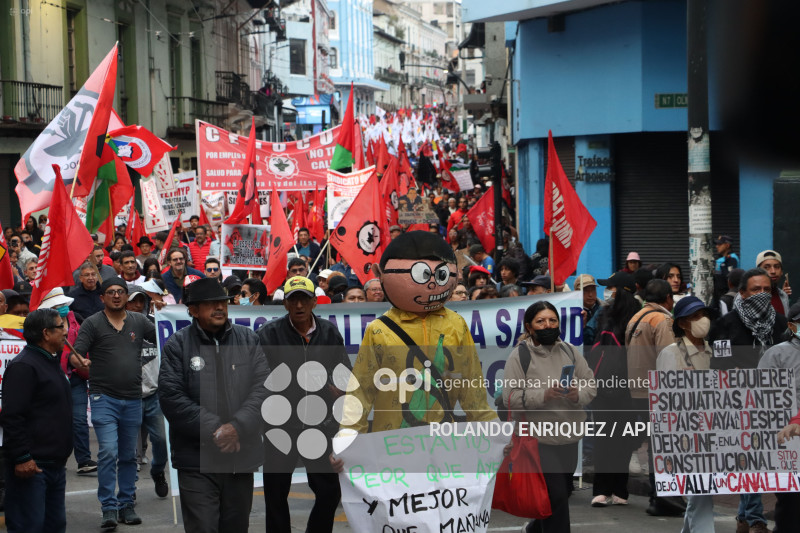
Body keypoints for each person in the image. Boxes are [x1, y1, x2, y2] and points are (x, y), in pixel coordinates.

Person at [336, 231, 497, 437]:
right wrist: (348, 434)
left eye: (439, 274)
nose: (431, 284)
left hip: (443, 442)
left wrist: (492, 430)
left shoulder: (456, 325)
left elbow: (472, 388)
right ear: (380, 274)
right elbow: (361, 390)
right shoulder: (379, 330)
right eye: (421, 274)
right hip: (393, 445)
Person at [159, 277, 270, 533]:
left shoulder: (248, 339)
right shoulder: (177, 345)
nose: (219, 308)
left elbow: (264, 388)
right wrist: (216, 430)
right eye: (210, 304)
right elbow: (171, 397)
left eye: (222, 302)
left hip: (239, 456)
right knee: (203, 528)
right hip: (196, 459)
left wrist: (237, 427)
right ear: (193, 310)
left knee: (235, 527)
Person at [257, 276, 351, 533]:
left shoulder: (329, 331)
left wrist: (339, 388)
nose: (299, 305)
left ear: (314, 302)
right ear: (285, 304)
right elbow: (257, 378)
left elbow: (343, 371)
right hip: (280, 426)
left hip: (319, 426)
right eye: (293, 299)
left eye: (304, 299)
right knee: (276, 495)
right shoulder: (268, 334)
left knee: (329, 492)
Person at [502, 301, 597, 533]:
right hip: (538, 440)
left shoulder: (570, 351)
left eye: (552, 320)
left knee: (558, 494)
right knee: (556, 496)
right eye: (541, 321)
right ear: (529, 326)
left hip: (569, 436)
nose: (548, 325)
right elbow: (510, 397)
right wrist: (544, 395)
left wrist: (577, 394)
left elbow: (591, 385)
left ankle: (534, 529)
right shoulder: (520, 355)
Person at [72, 277, 157, 529]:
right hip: (103, 397)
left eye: (121, 291)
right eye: (111, 292)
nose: (117, 296)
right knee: (108, 451)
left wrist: (167, 316)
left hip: (133, 398)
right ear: (102, 298)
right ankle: (108, 508)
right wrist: (80, 362)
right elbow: (77, 355)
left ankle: (126, 504)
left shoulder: (140, 321)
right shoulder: (92, 323)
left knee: (129, 456)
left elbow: (166, 337)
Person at [0, 309, 74, 533]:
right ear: (46, 333)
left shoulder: (49, 362)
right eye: (60, 327)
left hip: (54, 466)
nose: (65, 332)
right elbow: (13, 416)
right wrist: (22, 457)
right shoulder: (24, 366)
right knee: (29, 527)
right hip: (32, 468)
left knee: (55, 526)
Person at [625, 279, 680, 516]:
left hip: (638, 390)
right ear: (668, 298)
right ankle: (662, 499)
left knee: (654, 445)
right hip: (658, 392)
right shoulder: (662, 320)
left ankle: (658, 497)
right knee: (663, 445)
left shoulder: (636, 318)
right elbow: (669, 357)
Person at [586, 273, 640, 508]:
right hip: (616, 388)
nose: (607, 293)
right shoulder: (611, 314)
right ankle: (612, 490)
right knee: (614, 439)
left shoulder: (631, 317)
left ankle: (610, 490)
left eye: (611, 289)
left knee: (614, 439)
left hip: (616, 388)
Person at [38, 288, 98, 476]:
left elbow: (85, 342)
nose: (63, 308)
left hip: (75, 378)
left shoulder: (75, 318)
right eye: (58, 305)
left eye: (64, 304)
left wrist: (82, 358)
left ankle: (84, 460)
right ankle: (54, 458)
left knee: (79, 420)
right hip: (53, 379)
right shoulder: (42, 325)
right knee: (55, 422)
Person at [125, 287, 169, 499]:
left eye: (141, 301)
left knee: (161, 441)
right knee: (129, 449)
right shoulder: (117, 326)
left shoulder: (157, 323)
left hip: (154, 396)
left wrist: (165, 312)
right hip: (128, 396)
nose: (137, 305)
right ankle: (129, 488)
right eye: (133, 301)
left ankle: (158, 470)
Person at [756, 249, 791, 315]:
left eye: (777, 267)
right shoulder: (748, 296)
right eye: (766, 267)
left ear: (781, 272)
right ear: (758, 271)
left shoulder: (783, 296)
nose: (773, 271)